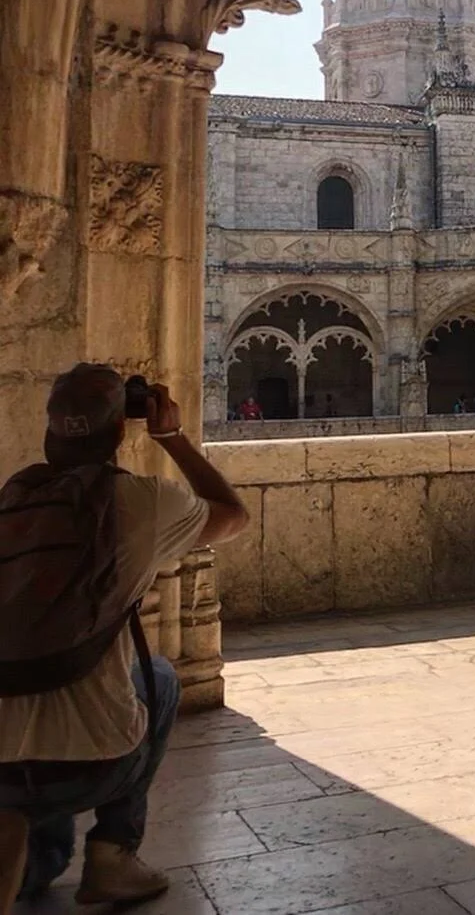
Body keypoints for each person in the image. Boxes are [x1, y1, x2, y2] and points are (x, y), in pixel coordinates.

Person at [0, 365, 249, 910]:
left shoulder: (12, 499)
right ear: (119, 430)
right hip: (91, 768)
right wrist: (171, 436)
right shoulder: (141, 502)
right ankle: (113, 854)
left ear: (48, 432)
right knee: (159, 678)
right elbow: (233, 516)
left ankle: (30, 854)